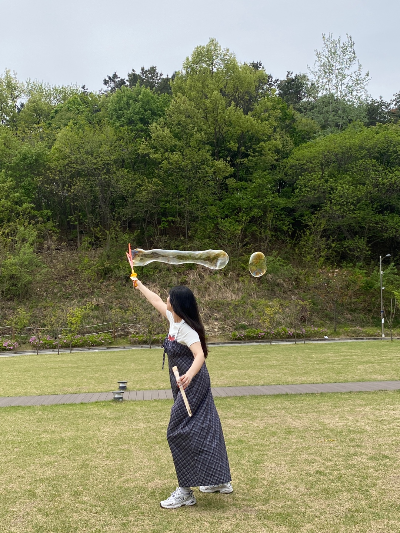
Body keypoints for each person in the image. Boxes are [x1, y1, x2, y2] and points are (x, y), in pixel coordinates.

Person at [133, 279, 233, 509]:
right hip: (184, 383)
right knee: (206, 427)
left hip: (192, 384)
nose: (166, 299)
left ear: (177, 304)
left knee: (176, 431)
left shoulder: (187, 330)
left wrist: (188, 375)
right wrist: (139, 285)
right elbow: (155, 300)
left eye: (170, 297)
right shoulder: (173, 319)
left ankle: (185, 491)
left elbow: (200, 355)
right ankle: (219, 481)